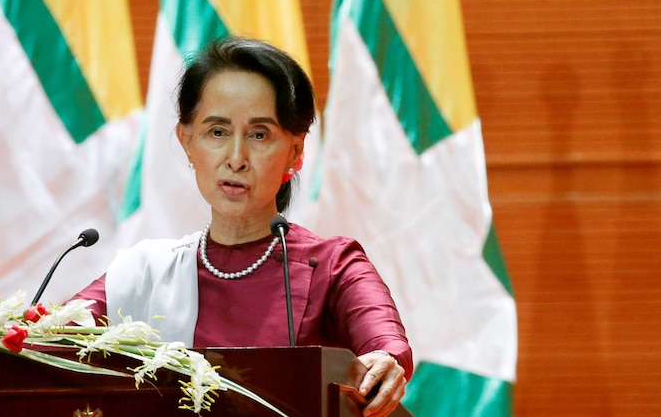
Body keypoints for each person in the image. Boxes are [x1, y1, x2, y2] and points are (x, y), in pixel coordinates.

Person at [69, 36, 411, 417]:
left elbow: (385, 342)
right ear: (187, 141)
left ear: (295, 151)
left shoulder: (332, 264)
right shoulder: (147, 272)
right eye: (217, 132)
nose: (236, 158)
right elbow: (51, 337)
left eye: (259, 134)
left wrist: (385, 360)